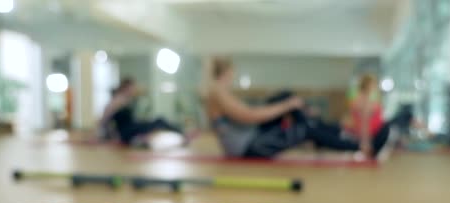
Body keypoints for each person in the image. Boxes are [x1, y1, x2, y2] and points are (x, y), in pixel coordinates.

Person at [205, 58, 367, 159]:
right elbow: (250, 116)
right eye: (233, 73)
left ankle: (316, 123)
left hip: (253, 136)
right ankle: (357, 146)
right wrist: (287, 106)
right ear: (227, 72)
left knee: (285, 96)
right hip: (248, 147)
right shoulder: (218, 92)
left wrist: (288, 104)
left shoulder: (221, 92)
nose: (234, 77)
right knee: (304, 129)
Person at [99, 78, 184, 146]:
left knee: (158, 121)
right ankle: (182, 132)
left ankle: (181, 132)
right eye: (133, 87)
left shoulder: (127, 99)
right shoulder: (117, 100)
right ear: (126, 87)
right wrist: (111, 136)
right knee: (160, 121)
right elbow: (104, 120)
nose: (135, 89)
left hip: (130, 128)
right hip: (125, 132)